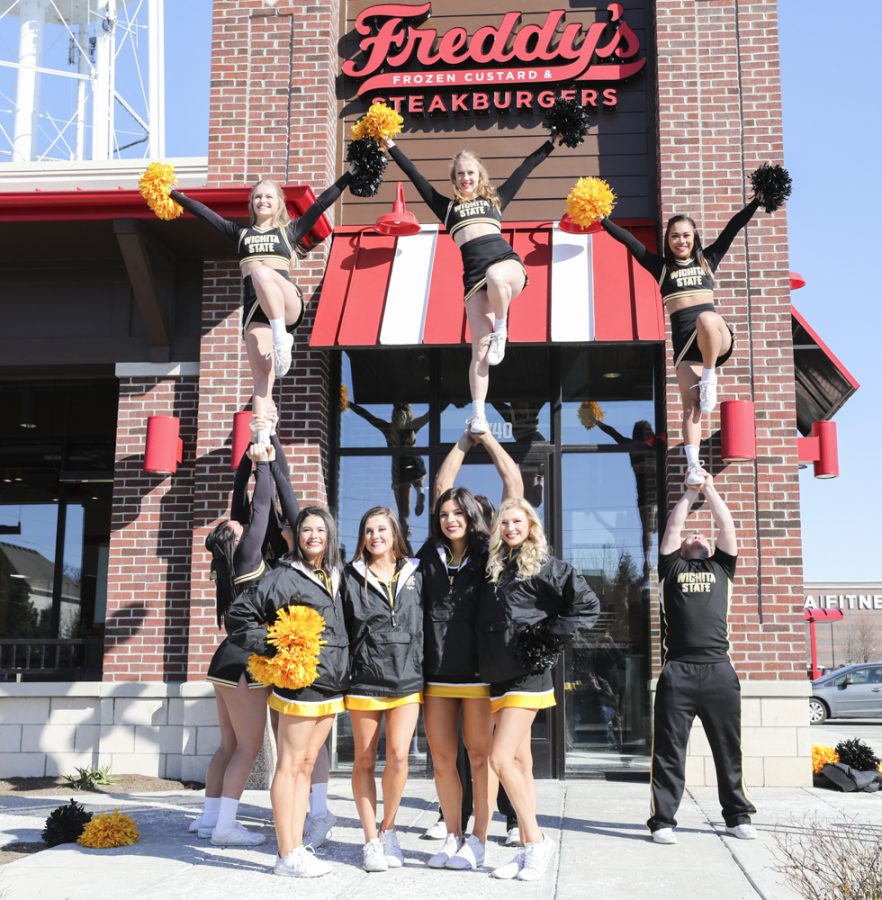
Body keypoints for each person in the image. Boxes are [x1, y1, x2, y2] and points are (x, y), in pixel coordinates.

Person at [386, 136, 558, 435]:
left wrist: (552, 142)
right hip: (473, 280)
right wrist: (389, 145)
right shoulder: (447, 208)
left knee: (495, 277)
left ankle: (502, 329)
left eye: (471, 173)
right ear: (455, 179)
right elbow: (415, 175)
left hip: (507, 266)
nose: (466, 178)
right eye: (461, 173)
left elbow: (525, 168)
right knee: (479, 350)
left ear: (480, 176)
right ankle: (478, 416)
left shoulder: (495, 200)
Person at [170, 173, 351, 447]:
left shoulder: (289, 232)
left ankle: (282, 339)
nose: (262, 200)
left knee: (262, 273)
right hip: (256, 312)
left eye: (268, 196)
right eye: (257, 196)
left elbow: (321, 203)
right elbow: (206, 214)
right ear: (251, 204)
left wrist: (349, 176)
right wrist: (174, 194)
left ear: (279, 204)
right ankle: (262, 436)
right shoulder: (239, 234)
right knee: (261, 378)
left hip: (287, 303)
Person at [600, 192, 769, 484]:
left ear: (695, 238)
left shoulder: (707, 260)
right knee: (690, 407)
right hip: (685, 347)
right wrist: (602, 219)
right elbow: (631, 243)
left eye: (686, 235)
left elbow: (733, 227)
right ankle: (693, 466)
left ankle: (709, 377)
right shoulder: (662, 269)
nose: (681, 241)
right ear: (668, 240)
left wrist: (757, 201)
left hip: (716, 337)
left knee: (706, 319)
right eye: (675, 236)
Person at [479, 497, 600, 881]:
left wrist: (548, 636)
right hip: (499, 674)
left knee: (498, 760)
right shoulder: (497, 565)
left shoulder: (547, 564)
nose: (510, 528)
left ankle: (536, 842)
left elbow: (587, 605)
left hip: (528, 675)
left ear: (531, 525)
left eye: (517, 521)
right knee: (519, 762)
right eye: (504, 523)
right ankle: (525, 848)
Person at [419, 429, 523, 871]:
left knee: (481, 757)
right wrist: (459, 445)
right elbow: (440, 485)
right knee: (443, 760)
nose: (450, 518)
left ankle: (479, 839)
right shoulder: (430, 553)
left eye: (457, 512)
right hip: (437, 672)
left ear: (471, 516)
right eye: (444, 513)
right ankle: (453, 835)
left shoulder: (488, 550)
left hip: (478, 673)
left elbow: (513, 486)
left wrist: (484, 441)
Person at [225, 505, 349, 877]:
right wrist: (278, 647)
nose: (313, 535)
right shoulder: (283, 575)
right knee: (291, 765)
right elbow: (238, 616)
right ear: (296, 536)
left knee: (308, 766)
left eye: (320, 530)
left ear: (329, 537)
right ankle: (286, 854)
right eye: (306, 529)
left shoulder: (333, 575)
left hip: (330, 684)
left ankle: (296, 846)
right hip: (299, 684)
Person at [194, 433, 299, 847]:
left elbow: (241, 496)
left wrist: (256, 444)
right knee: (249, 748)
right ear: (236, 540)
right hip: (243, 662)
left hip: (223, 660)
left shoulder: (229, 563)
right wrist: (265, 465)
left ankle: (208, 819)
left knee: (228, 745)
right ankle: (225, 827)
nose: (234, 519)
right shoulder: (248, 556)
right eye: (232, 526)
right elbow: (257, 507)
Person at [648, 471, 757, 845]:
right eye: (689, 536)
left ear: (711, 549)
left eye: (702, 536)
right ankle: (663, 821)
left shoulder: (722, 568)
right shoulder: (671, 569)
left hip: (718, 672)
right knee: (668, 751)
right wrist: (687, 494)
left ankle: (737, 816)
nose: (695, 535)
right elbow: (673, 529)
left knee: (729, 749)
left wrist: (709, 490)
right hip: (676, 671)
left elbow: (726, 525)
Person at [343, 507, 424, 872]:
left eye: (382, 529)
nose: (375, 536)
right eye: (368, 530)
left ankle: (388, 829)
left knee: (399, 756)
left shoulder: (417, 572)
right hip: (364, 681)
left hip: (407, 678)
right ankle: (370, 841)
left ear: (394, 533)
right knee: (364, 758)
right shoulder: (350, 576)